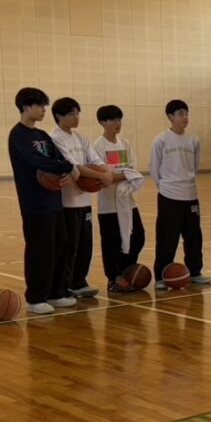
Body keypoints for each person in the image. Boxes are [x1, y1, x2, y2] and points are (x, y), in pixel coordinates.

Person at [8, 88, 77, 315]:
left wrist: (66, 169)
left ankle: (56, 293)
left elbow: (58, 158)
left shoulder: (43, 135)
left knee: (60, 246)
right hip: (34, 203)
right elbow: (36, 160)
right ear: (25, 107)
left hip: (54, 200)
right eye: (39, 106)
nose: (43, 110)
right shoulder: (18, 135)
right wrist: (67, 167)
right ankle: (35, 298)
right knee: (40, 250)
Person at [51, 98, 113, 300]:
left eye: (78, 113)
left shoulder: (81, 137)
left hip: (84, 201)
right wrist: (102, 176)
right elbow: (74, 166)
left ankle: (79, 282)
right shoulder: (55, 138)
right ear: (59, 116)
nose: (76, 117)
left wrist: (105, 171)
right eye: (71, 114)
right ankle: (64, 285)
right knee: (69, 247)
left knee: (85, 245)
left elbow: (95, 159)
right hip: (66, 202)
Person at [150, 100, 211, 289]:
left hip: (190, 194)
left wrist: (187, 181)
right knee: (167, 238)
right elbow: (154, 168)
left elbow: (195, 166)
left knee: (194, 237)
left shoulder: (194, 140)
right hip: (169, 195)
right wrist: (166, 187)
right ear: (170, 117)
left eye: (186, 113)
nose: (185, 117)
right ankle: (161, 276)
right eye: (180, 114)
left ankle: (195, 271)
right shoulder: (160, 140)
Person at [92, 105, 146, 294]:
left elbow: (133, 171)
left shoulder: (126, 144)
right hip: (108, 205)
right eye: (113, 119)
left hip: (128, 202)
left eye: (119, 119)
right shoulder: (97, 147)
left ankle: (127, 272)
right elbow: (102, 177)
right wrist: (122, 175)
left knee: (137, 237)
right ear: (102, 122)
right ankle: (114, 278)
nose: (118, 123)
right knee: (111, 242)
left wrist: (115, 175)